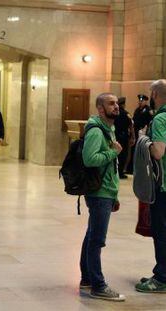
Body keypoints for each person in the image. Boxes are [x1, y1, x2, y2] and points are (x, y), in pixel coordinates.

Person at [80, 93, 124, 301]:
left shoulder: (109, 128)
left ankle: (87, 278)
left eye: (116, 103)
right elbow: (89, 159)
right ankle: (98, 285)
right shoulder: (97, 131)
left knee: (91, 235)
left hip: (106, 191)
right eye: (111, 104)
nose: (116, 107)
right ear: (100, 109)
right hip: (99, 193)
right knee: (97, 239)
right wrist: (113, 152)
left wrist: (114, 193)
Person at [135, 79, 166, 293]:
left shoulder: (161, 119)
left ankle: (162, 277)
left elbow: (158, 152)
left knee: (161, 231)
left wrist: (143, 138)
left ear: (155, 95)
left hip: (163, 188)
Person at [114, 97, 135, 179]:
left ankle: (116, 171)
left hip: (116, 136)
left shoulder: (115, 113)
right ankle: (121, 172)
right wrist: (133, 137)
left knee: (116, 153)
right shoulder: (126, 114)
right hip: (124, 137)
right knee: (123, 154)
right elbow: (131, 126)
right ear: (124, 104)